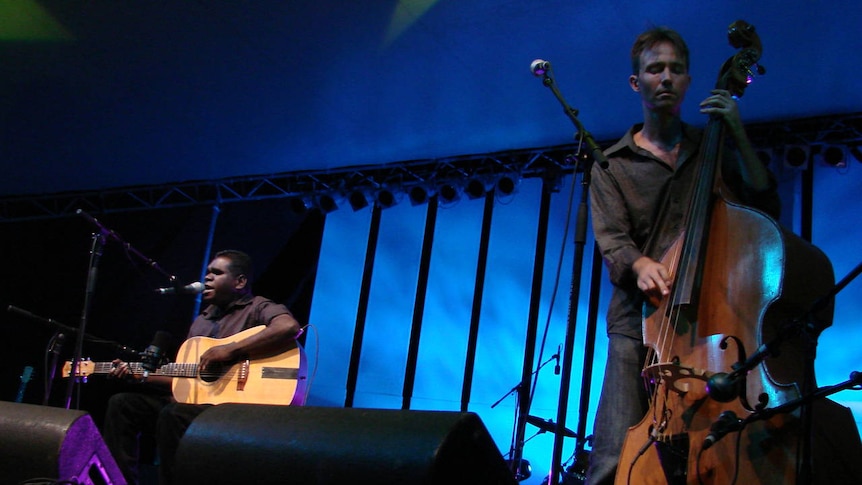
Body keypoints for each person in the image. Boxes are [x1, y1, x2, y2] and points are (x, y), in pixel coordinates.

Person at [584, 27, 780, 485]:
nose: (666, 77)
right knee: (614, 450)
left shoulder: (712, 147)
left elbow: (764, 204)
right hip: (638, 320)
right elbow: (612, 240)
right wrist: (639, 263)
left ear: (689, 81)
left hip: (711, 321)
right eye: (655, 69)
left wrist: (734, 128)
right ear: (638, 83)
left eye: (675, 69)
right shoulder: (612, 165)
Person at [102, 249, 304, 485]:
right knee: (123, 404)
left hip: (237, 411)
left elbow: (289, 327)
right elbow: (188, 378)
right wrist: (140, 375)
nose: (207, 277)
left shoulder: (257, 307)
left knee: (173, 414)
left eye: (216, 273)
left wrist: (231, 349)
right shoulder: (202, 321)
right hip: (198, 406)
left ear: (240, 281)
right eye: (207, 272)